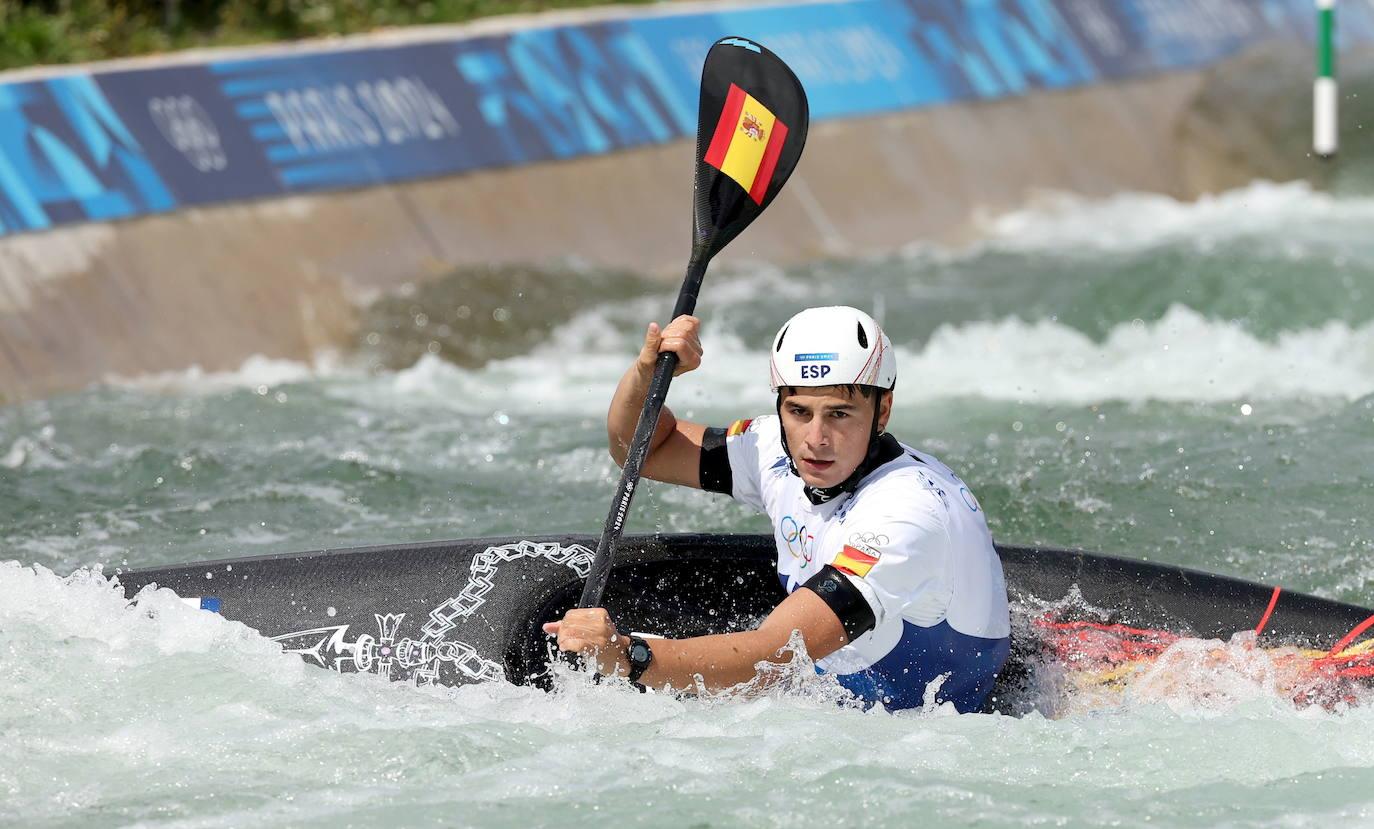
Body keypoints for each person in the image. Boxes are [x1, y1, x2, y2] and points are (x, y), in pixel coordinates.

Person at [543, 306, 1011, 712]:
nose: (816, 439)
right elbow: (639, 448)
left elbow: (773, 659)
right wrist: (648, 374)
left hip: (924, 726)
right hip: (833, 688)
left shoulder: (906, 516)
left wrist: (629, 656)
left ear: (882, 411)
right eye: (800, 411)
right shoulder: (772, 447)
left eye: (840, 414)